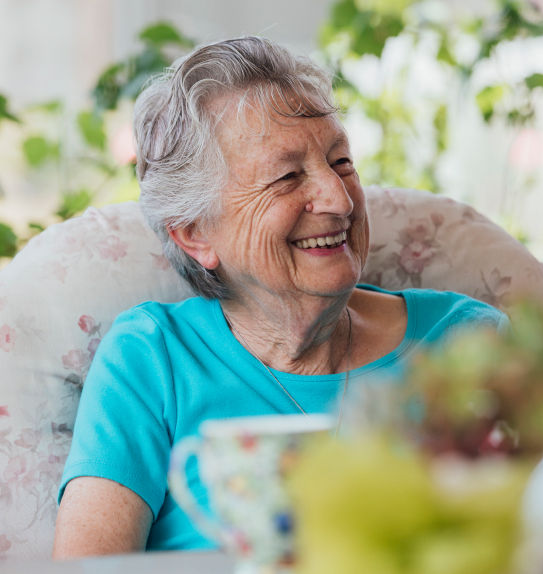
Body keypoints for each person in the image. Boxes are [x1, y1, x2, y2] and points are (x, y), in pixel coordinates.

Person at [52, 36, 508, 557]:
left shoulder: (469, 341)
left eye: (341, 163)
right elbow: (88, 569)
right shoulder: (152, 359)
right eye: (288, 176)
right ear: (195, 233)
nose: (338, 200)